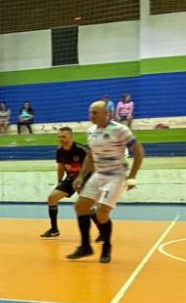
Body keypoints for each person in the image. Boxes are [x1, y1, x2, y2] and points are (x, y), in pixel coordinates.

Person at [67, 101, 145, 263]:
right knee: (80, 206)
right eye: (90, 112)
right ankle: (85, 246)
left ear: (106, 114)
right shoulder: (91, 131)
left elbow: (139, 152)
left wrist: (132, 176)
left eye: (95, 112)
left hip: (116, 176)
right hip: (99, 174)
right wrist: (81, 176)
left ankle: (106, 246)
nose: (91, 116)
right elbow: (90, 155)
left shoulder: (120, 130)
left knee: (102, 212)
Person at [40, 127, 88, 238]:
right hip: (71, 179)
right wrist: (59, 182)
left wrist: (84, 179)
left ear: (71, 137)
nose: (61, 139)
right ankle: (54, 230)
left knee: (86, 206)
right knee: (52, 198)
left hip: (86, 179)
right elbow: (61, 166)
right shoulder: (60, 150)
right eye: (59, 137)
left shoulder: (81, 149)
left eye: (63, 137)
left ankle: (102, 231)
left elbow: (93, 164)